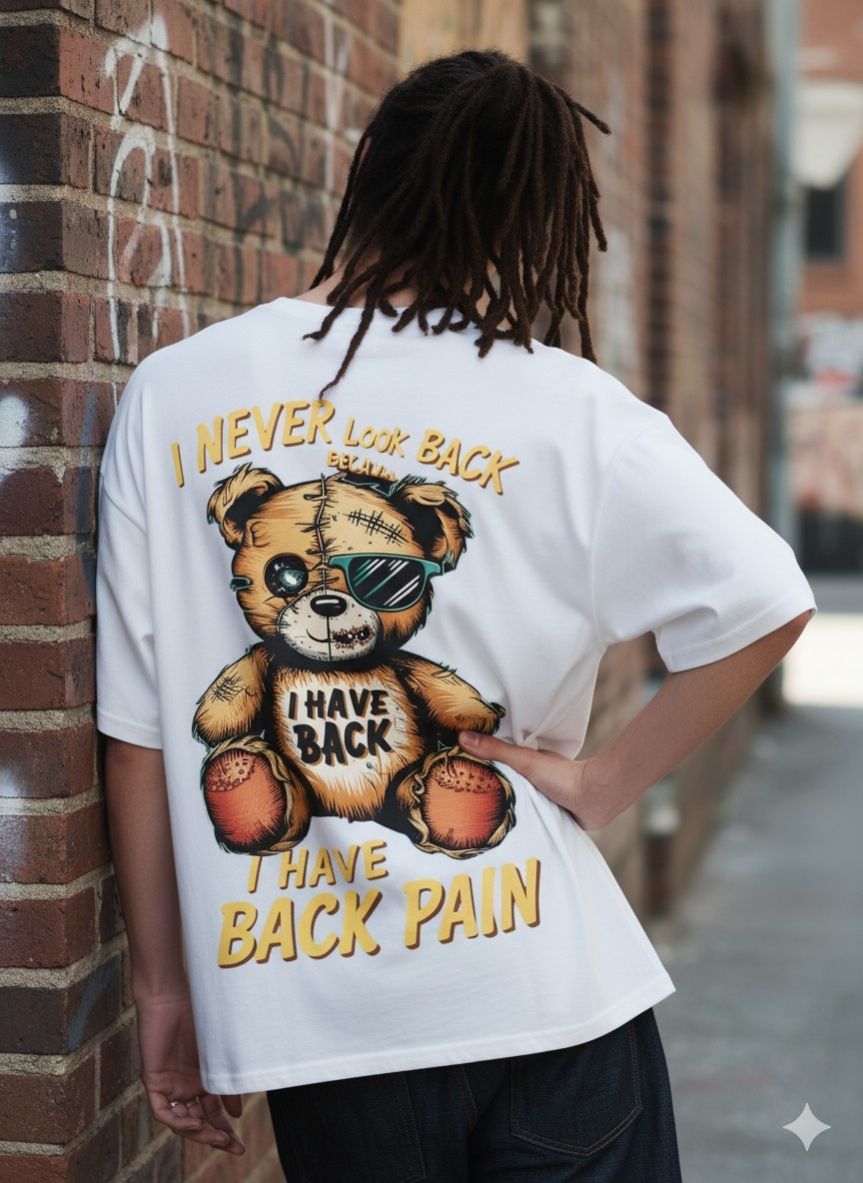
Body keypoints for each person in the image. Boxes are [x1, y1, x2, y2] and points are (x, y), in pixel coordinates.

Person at [96, 49, 816, 1182]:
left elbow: (138, 733)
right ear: (528, 221)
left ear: (370, 170)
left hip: (324, 1027)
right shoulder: (570, 409)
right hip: (550, 991)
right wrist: (603, 782)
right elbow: (766, 600)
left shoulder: (174, 395)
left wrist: (163, 988)